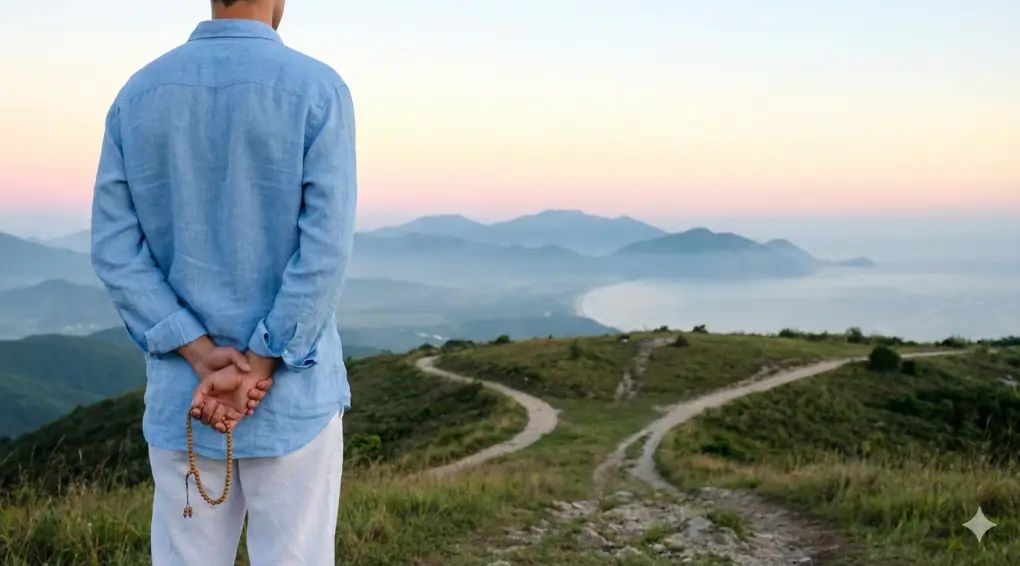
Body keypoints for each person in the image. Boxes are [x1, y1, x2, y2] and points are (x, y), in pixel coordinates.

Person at [89, 0, 357, 564]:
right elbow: (324, 249)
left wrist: (201, 352)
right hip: (292, 399)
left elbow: (115, 251)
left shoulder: (137, 95)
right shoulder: (318, 90)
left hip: (185, 399)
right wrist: (262, 359)